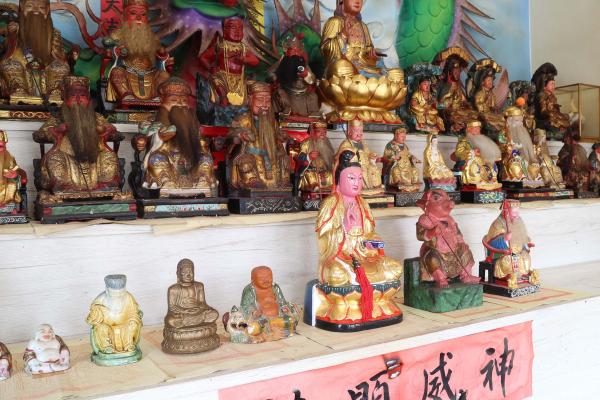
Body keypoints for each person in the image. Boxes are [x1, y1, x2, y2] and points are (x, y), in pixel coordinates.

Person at [34, 76, 121, 198]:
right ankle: (64, 186)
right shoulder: (58, 118)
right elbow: (39, 135)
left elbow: (116, 133)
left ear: (89, 99)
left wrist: (106, 130)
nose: (78, 100)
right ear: (65, 98)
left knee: (109, 156)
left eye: (83, 96)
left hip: (94, 156)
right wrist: (56, 130)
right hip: (66, 156)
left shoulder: (97, 117)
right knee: (54, 159)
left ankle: (105, 184)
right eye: (73, 95)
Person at [134, 77, 217, 195]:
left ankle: (202, 181)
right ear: (161, 101)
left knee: (205, 159)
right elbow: (141, 137)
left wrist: (208, 143)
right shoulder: (152, 121)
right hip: (166, 157)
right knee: (156, 159)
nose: (180, 103)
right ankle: (165, 181)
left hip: (191, 159)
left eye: (184, 100)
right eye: (173, 100)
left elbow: (201, 142)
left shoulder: (193, 123)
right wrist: (142, 140)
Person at [0, 0, 69, 104]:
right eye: (30, 6)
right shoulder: (15, 29)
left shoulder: (54, 33)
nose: (36, 10)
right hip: (21, 66)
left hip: (46, 70)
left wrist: (57, 52)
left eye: (41, 7)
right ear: (22, 8)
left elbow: (60, 56)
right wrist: (12, 36)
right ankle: (18, 89)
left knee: (60, 67)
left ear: (47, 11)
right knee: (9, 65)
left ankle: (54, 92)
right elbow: (5, 48)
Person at [229, 81, 291, 191]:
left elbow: (278, 136)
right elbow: (231, 135)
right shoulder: (242, 119)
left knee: (284, 159)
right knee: (246, 161)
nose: (265, 104)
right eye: (260, 99)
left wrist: (283, 136)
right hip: (252, 155)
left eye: (268, 100)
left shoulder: (272, 121)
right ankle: (252, 181)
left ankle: (283, 182)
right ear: (250, 99)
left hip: (271, 156)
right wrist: (240, 135)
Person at [105, 0, 170, 104]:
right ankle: (126, 95)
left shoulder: (152, 38)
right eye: (133, 13)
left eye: (143, 15)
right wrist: (118, 51)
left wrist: (161, 54)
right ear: (124, 16)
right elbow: (108, 47)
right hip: (127, 72)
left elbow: (159, 56)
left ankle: (156, 96)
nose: (139, 18)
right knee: (116, 73)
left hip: (150, 73)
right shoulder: (117, 35)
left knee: (164, 75)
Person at [416, 189, 480, 288]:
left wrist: (461, 242)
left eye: (447, 198)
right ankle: (440, 278)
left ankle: (466, 275)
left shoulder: (450, 219)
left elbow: (457, 233)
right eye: (436, 199)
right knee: (432, 258)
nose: (448, 203)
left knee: (466, 252)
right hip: (436, 250)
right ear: (426, 204)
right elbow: (420, 236)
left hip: (454, 249)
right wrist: (432, 232)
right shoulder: (425, 219)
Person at [198, 16, 259, 107]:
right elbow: (203, 57)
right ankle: (223, 99)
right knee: (216, 79)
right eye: (233, 27)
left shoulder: (243, 48)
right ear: (224, 31)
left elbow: (256, 61)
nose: (237, 31)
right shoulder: (220, 47)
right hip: (223, 76)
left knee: (252, 85)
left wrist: (244, 60)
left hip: (239, 79)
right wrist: (210, 68)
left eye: (240, 28)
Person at [162, 259, 220, 354]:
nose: (188, 275)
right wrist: (185, 311)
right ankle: (190, 324)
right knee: (170, 320)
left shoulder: (199, 286)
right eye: (184, 272)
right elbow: (172, 308)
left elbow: (203, 303)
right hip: (182, 315)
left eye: (191, 271)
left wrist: (200, 309)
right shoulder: (173, 289)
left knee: (214, 314)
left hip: (197, 313)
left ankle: (192, 323)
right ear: (178, 273)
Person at [86, 275, 143, 365]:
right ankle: (107, 347)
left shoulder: (128, 297)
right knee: (101, 328)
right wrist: (95, 316)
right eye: (114, 294)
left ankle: (128, 345)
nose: (118, 296)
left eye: (121, 293)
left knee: (133, 324)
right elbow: (93, 317)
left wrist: (135, 317)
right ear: (107, 290)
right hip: (107, 326)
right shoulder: (100, 300)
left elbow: (133, 312)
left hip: (124, 325)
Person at [483, 200, 539, 289]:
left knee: (526, 257)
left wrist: (526, 245)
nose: (517, 213)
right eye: (514, 211)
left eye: (518, 211)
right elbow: (491, 243)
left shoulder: (518, 221)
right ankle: (509, 278)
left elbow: (522, 238)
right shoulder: (497, 223)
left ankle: (523, 276)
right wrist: (505, 238)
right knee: (509, 260)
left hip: (518, 252)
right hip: (502, 254)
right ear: (507, 211)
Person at [435, 48, 480, 133]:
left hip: (458, 110)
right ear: (449, 71)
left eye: (459, 72)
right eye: (455, 72)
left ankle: (465, 128)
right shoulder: (442, 84)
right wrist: (446, 107)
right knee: (452, 115)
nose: (457, 74)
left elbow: (463, 100)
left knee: (474, 114)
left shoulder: (458, 86)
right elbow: (438, 104)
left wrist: (468, 105)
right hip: (446, 110)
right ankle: (453, 127)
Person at [336, 119, 383, 194]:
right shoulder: (346, 144)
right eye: (356, 131)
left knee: (375, 169)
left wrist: (371, 156)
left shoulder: (363, 143)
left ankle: (375, 186)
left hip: (367, 165)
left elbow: (367, 153)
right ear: (349, 132)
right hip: (355, 167)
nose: (359, 133)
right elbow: (340, 158)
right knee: (361, 171)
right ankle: (361, 187)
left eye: (361, 131)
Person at [453, 120, 501, 190]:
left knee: (491, 162)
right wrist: (472, 152)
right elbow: (458, 153)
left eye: (478, 129)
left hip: (483, 160)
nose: (477, 131)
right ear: (469, 129)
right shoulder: (464, 141)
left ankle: (492, 179)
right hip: (471, 159)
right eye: (475, 129)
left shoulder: (483, 140)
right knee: (475, 164)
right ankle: (477, 180)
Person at [296, 121, 334, 193]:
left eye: (324, 132)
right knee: (310, 175)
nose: (322, 134)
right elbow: (299, 158)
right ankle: (314, 187)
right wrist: (309, 157)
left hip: (324, 171)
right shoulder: (306, 143)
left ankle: (328, 189)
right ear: (313, 132)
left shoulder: (327, 142)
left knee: (331, 175)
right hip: (310, 170)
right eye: (319, 131)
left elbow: (331, 159)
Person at [382, 127, 421, 192]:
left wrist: (413, 157)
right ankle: (399, 184)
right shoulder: (391, 145)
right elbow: (386, 156)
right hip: (397, 165)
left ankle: (413, 185)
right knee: (395, 171)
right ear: (396, 136)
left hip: (407, 166)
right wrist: (394, 157)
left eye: (405, 137)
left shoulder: (405, 146)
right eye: (402, 136)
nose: (404, 138)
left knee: (415, 170)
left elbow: (408, 154)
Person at [0, 131, 22, 208]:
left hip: (6, 184)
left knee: (12, 185)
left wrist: (14, 175)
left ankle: (6, 204)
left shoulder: (9, 157)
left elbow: (16, 170)